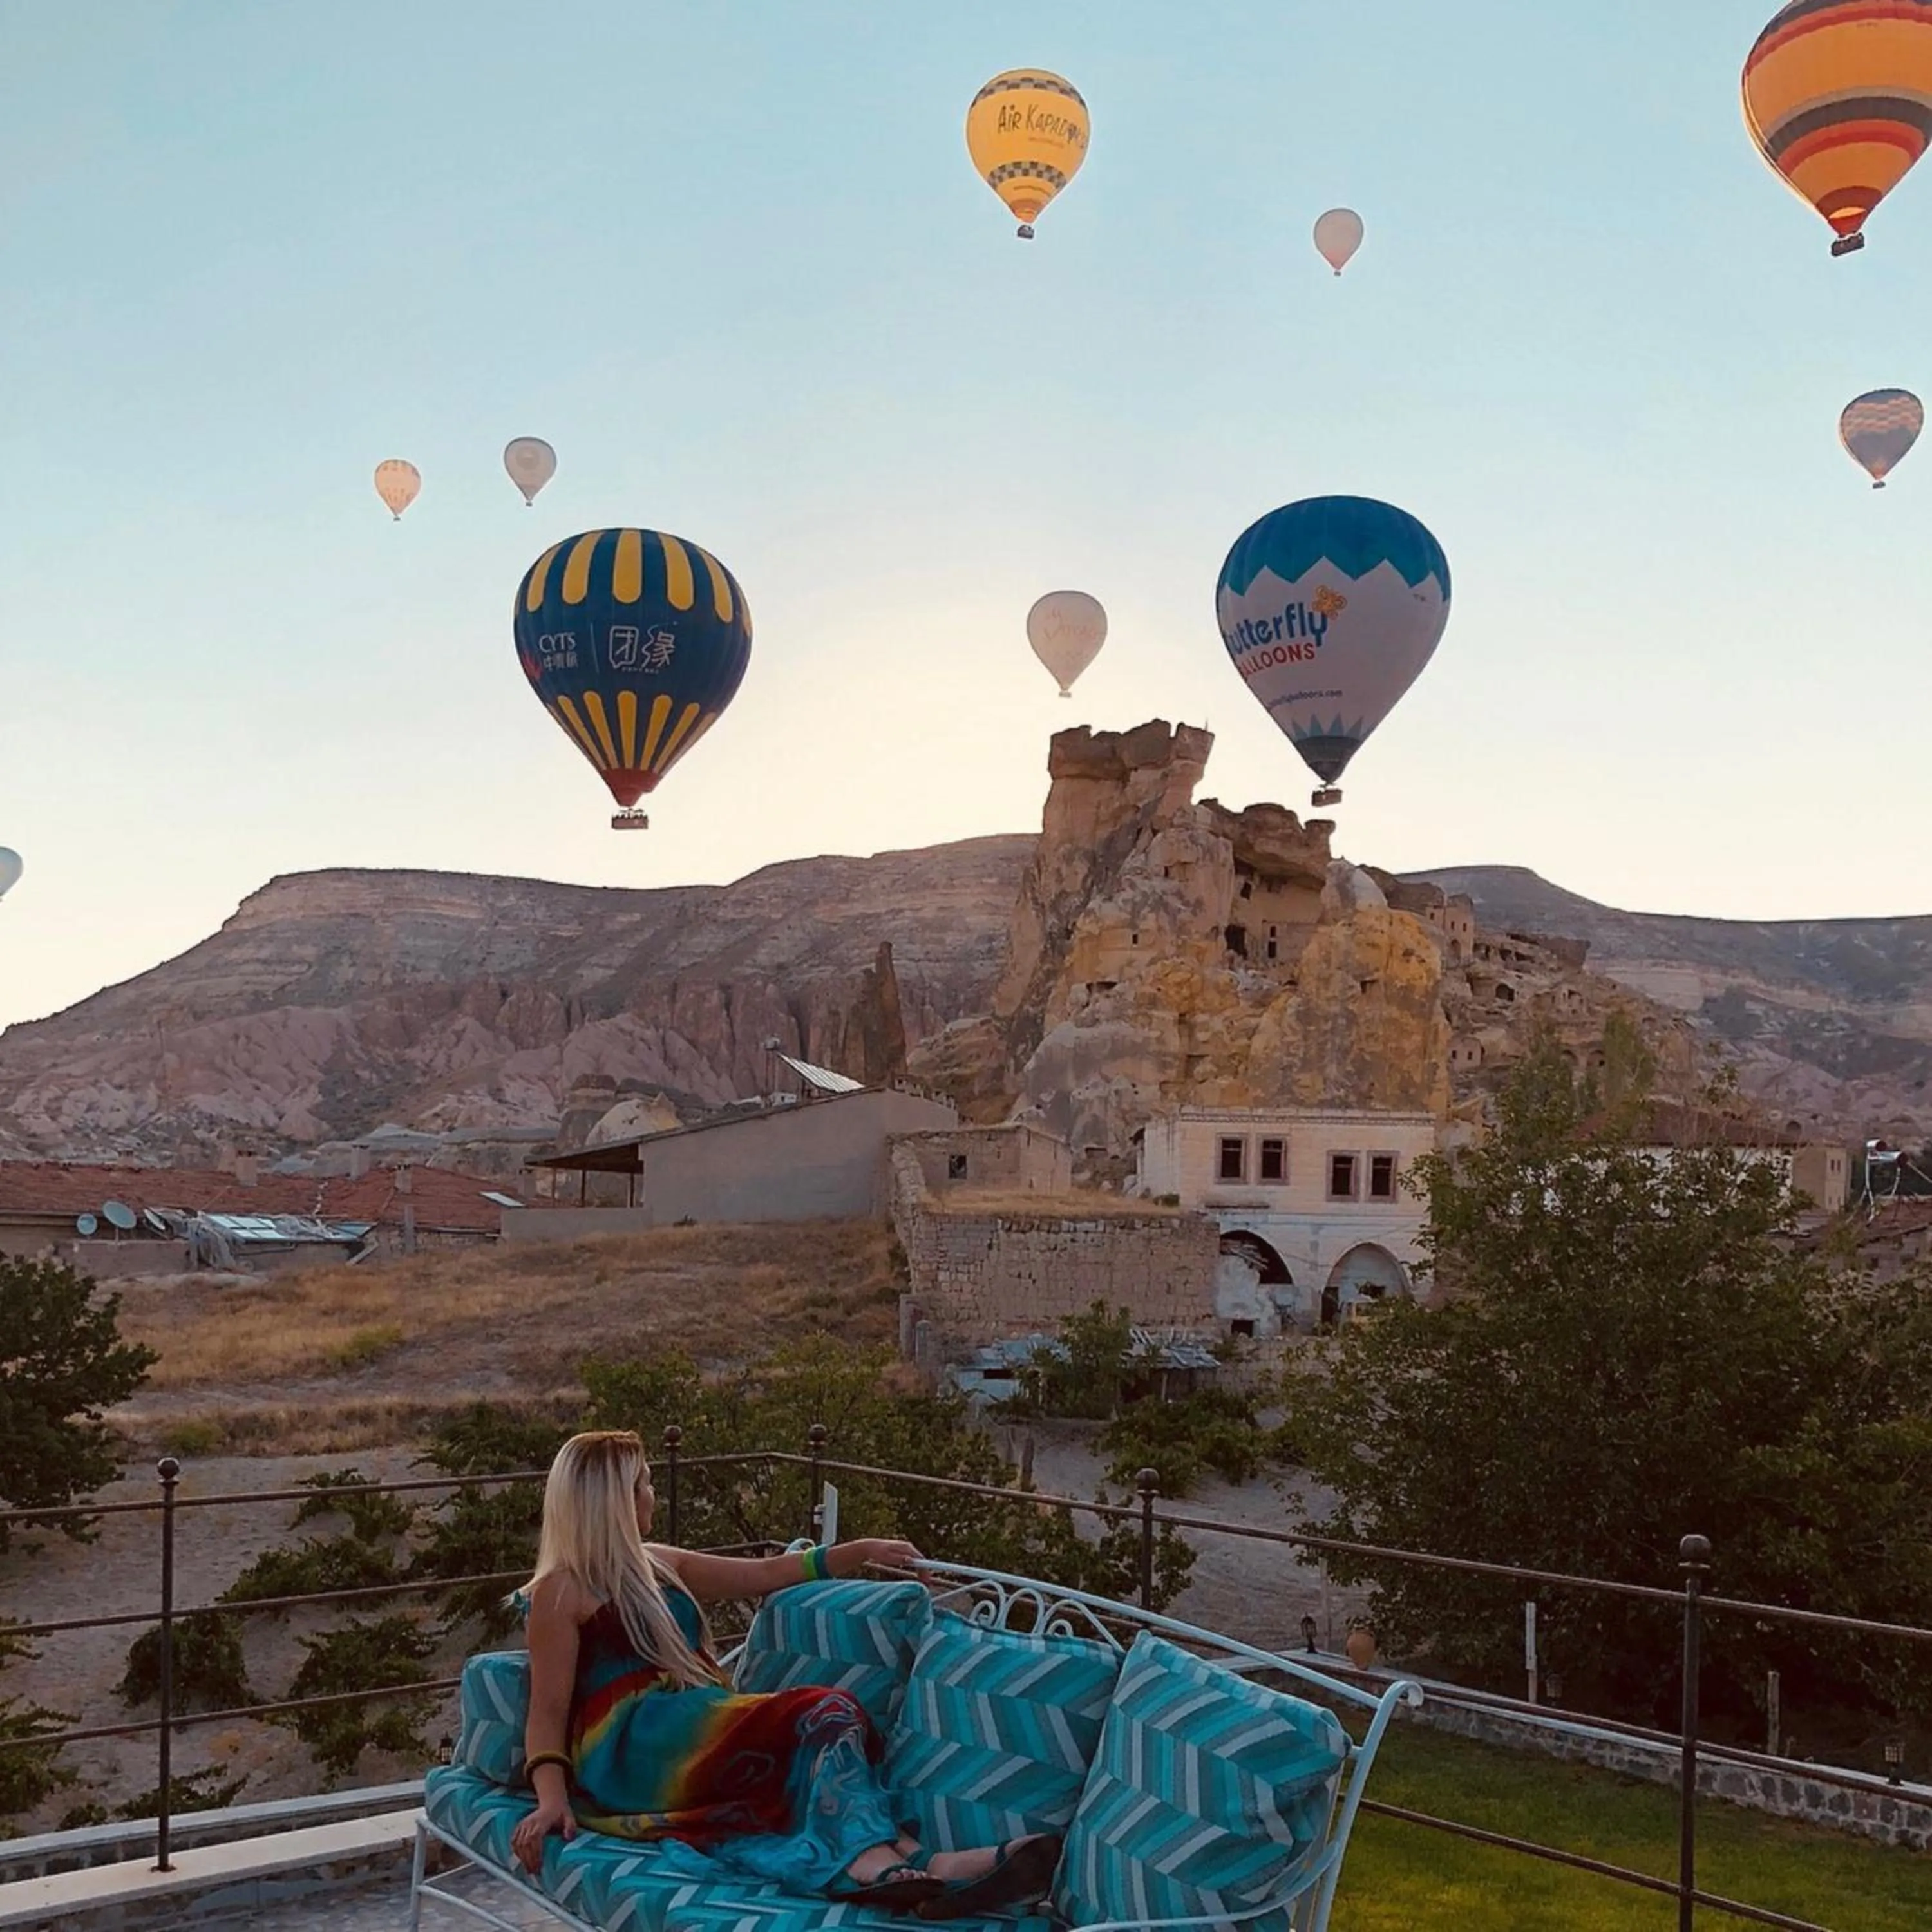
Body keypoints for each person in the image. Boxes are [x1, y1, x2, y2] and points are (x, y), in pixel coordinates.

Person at [507, 1430, 1061, 1920]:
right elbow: (549, 1711)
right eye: (645, 1483)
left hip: (695, 1722)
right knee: (822, 1712)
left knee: (818, 1737)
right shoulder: (561, 1590)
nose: (654, 1494)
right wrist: (551, 1800)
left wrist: (862, 1550)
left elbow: (768, 1573)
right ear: (613, 1499)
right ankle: (887, 1866)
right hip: (634, 1751)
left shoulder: (659, 1563)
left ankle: (917, 1865)